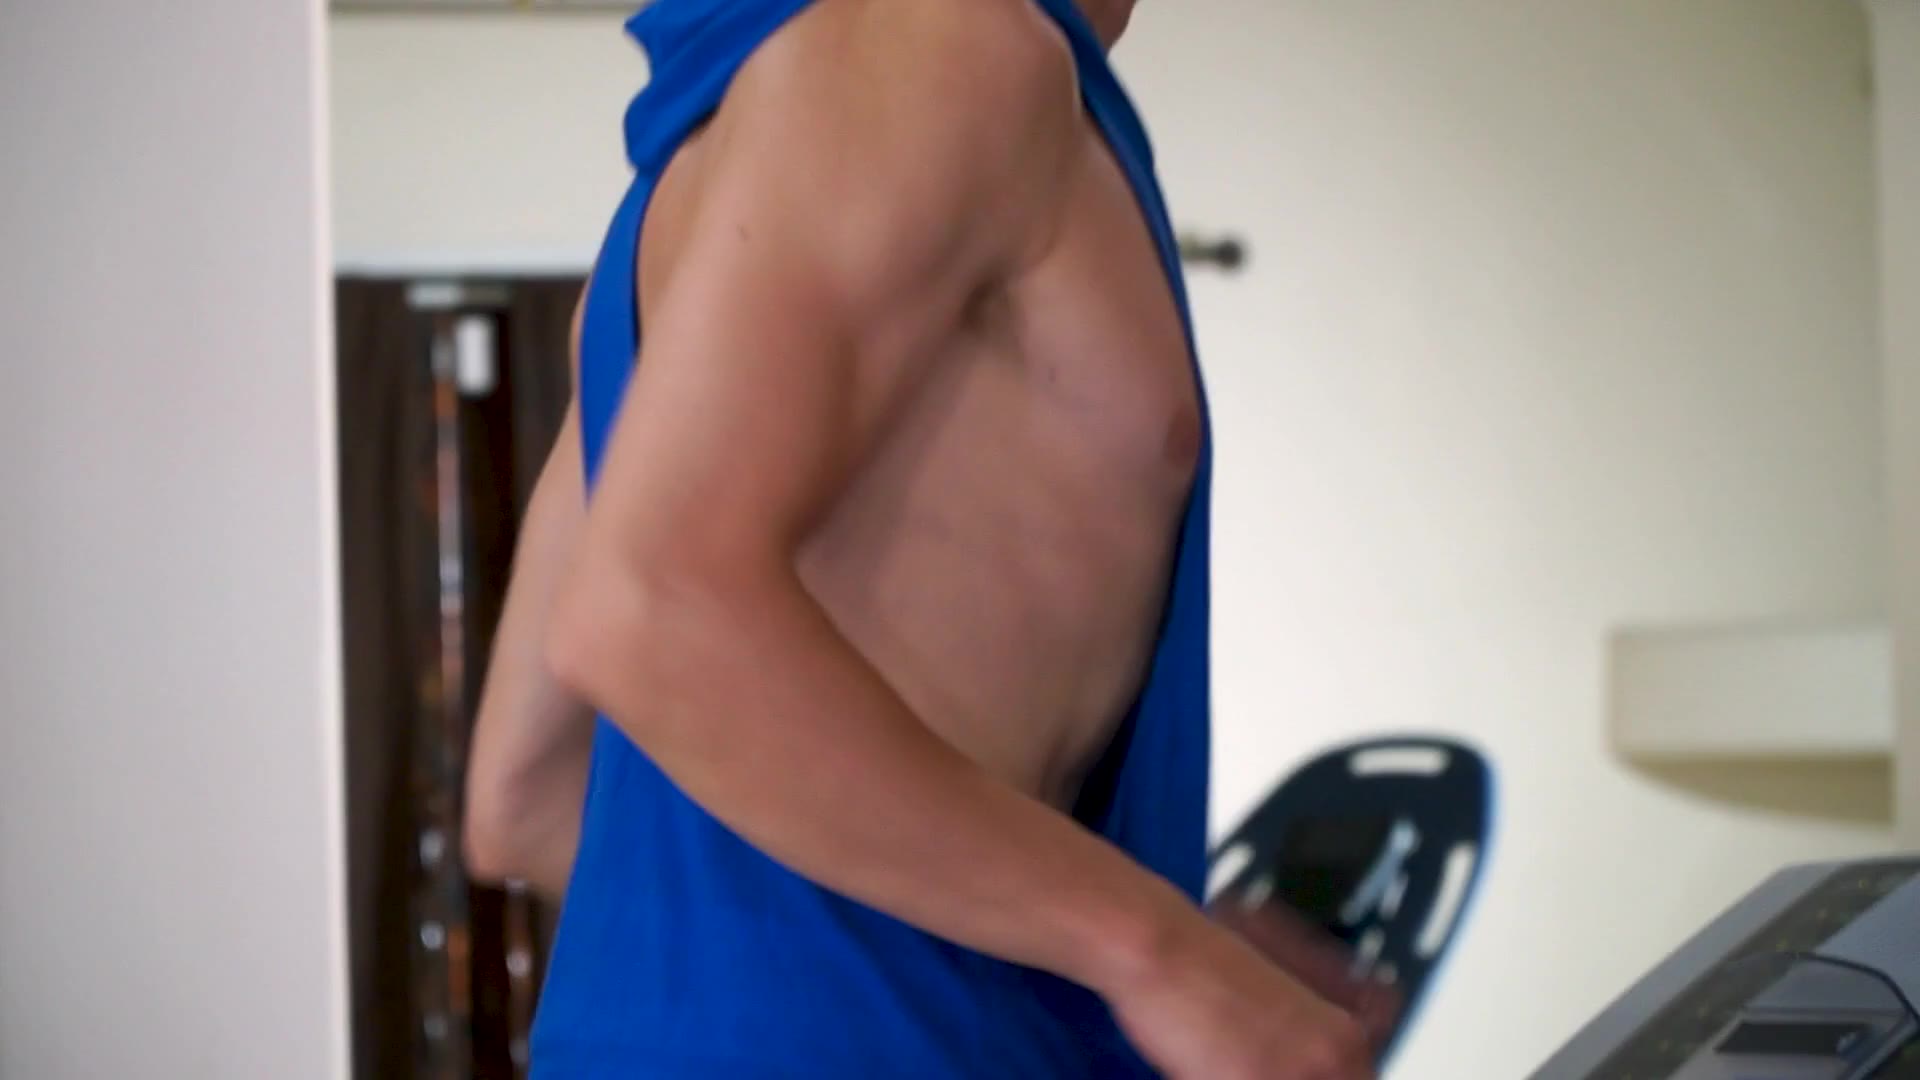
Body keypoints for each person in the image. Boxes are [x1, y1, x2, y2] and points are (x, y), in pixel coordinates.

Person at [462, 0, 1395, 1075]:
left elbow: (523, 798)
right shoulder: (943, 37)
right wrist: (1160, 957)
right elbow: (646, 613)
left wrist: (1104, 958)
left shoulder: (678, 193)